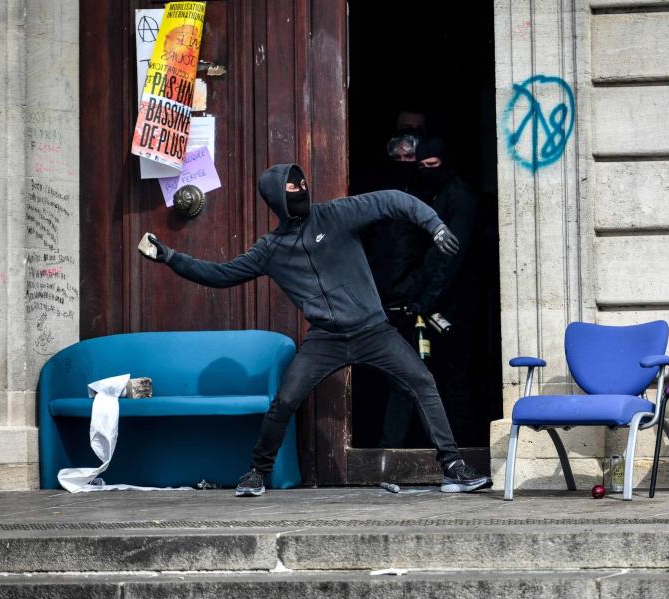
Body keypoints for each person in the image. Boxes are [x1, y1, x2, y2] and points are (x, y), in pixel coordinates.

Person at [139, 163, 492, 496]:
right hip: (326, 338)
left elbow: (391, 200)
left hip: (373, 330)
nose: (301, 188)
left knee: (421, 382)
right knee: (285, 400)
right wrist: (170, 257)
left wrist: (435, 225)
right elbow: (222, 275)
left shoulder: (335, 214)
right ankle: (257, 473)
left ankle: (453, 465)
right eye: (292, 185)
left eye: (303, 182)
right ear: (276, 197)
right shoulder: (271, 250)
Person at [379, 139, 480, 447]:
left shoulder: (459, 196)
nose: (425, 171)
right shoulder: (429, 194)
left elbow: (449, 254)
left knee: (451, 379)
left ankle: (459, 448)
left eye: (432, 165)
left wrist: (424, 298)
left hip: (450, 304)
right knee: (417, 376)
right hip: (424, 303)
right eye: (420, 166)